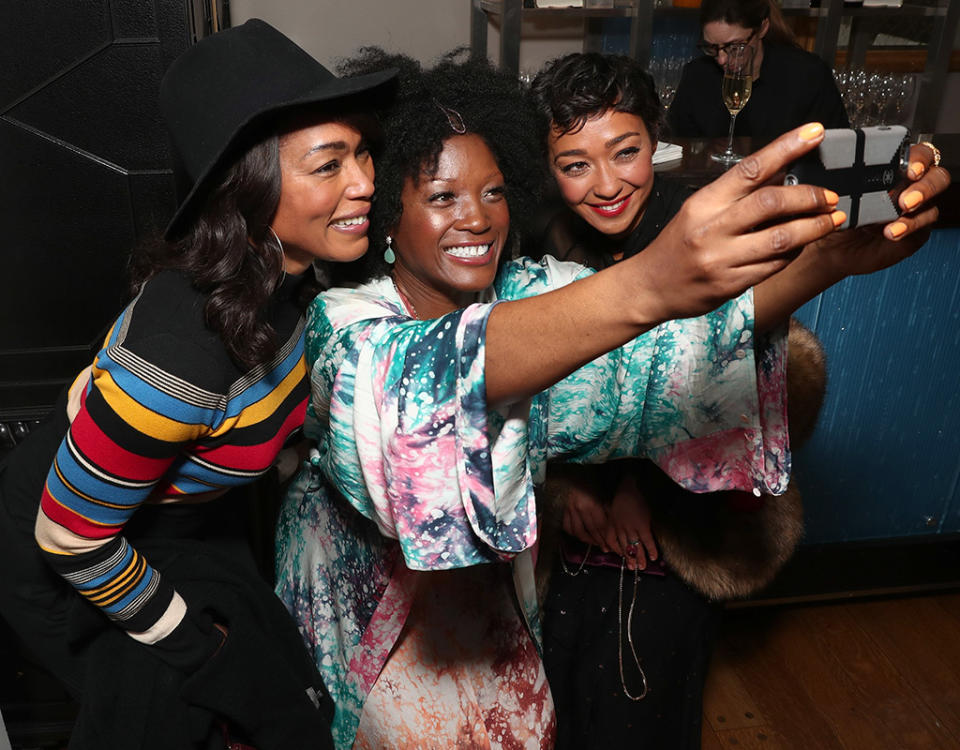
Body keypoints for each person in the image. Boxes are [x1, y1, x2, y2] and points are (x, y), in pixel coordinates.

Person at [274, 48, 945, 749]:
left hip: (496, 620)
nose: (477, 218)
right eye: (442, 197)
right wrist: (646, 284)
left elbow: (669, 346)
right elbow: (416, 385)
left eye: (495, 192)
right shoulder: (345, 320)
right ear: (388, 217)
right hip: (370, 638)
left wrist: (825, 262)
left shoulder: (530, 291)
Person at [530, 50, 945, 748]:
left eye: (625, 152)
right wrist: (565, 485)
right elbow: (522, 391)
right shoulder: (535, 242)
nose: (605, 184)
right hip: (565, 541)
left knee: (649, 701)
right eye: (575, 164)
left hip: (687, 527)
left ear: (655, 139)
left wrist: (640, 485)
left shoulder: (712, 231)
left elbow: (751, 385)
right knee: (562, 699)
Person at [0, 19, 395, 750]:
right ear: (248, 190)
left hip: (176, 524)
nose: (366, 182)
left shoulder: (287, 276)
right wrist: (201, 650)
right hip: (73, 551)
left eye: (363, 152)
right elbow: (70, 537)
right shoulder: (186, 353)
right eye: (328, 164)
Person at [668, 0, 849, 139]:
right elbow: (675, 146)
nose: (722, 59)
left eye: (734, 47)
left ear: (762, 29)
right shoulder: (697, 76)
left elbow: (836, 150)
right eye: (712, 48)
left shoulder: (807, 75)